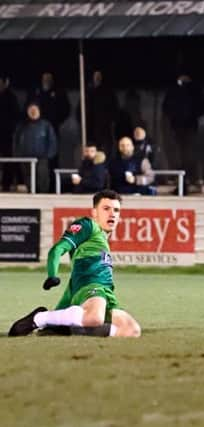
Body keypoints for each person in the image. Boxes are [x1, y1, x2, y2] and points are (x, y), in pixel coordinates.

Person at [8, 190, 141, 337]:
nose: (112, 214)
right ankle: (39, 318)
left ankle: (68, 327)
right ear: (94, 212)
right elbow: (57, 249)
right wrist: (52, 274)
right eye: (106, 208)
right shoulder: (87, 225)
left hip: (106, 293)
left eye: (116, 210)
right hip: (89, 287)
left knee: (131, 330)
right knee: (95, 317)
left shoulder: (102, 239)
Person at [162, 73, 204, 192]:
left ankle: (191, 181)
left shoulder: (194, 90)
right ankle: (183, 182)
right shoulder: (174, 90)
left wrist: (192, 116)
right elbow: (166, 107)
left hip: (190, 128)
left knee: (189, 155)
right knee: (180, 156)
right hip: (178, 128)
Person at [26, 71, 71, 193]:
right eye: (44, 77)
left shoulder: (59, 92)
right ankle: (33, 188)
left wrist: (56, 120)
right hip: (35, 129)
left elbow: (66, 109)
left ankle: (51, 187)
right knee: (33, 165)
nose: (47, 80)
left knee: (52, 159)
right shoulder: (35, 91)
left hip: (52, 128)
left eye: (49, 78)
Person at [13, 102, 58, 193]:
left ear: (39, 111)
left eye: (35, 110)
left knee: (42, 178)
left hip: (42, 158)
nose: (33, 112)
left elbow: (52, 141)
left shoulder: (46, 125)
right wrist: (17, 155)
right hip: (26, 158)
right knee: (28, 178)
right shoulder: (22, 126)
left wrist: (48, 155)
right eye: (31, 110)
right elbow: (16, 141)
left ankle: (43, 195)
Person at [79, 70, 119, 159]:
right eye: (96, 76)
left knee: (104, 154)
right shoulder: (88, 92)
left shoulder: (108, 92)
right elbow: (80, 109)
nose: (97, 78)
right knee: (90, 155)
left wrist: (110, 122)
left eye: (99, 76)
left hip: (104, 130)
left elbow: (114, 110)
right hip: (90, 130)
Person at [0, 73, 20, 191]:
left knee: (8, 158)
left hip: (6, 134)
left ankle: (6, 183)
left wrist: (11, 128)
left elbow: (16, 114)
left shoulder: (10, 97)